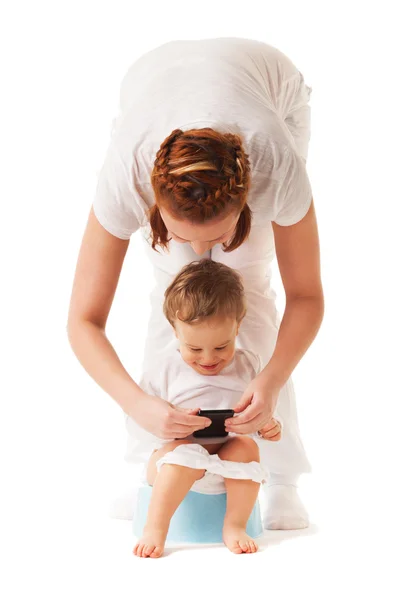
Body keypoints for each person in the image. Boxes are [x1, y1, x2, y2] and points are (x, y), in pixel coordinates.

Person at [67, 37, 324, 529]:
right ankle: (156, 465)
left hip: (269, 87)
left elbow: (307, 296)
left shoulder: (275, 166)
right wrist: (138, 404)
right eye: (184, 235)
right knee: (179, 301)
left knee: (245, 291)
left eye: (221, 233)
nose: (204, 251)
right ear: (153, 202)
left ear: (247, 202)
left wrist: (268, 382)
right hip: (151, 82)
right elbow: (83, 319)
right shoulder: (126, 177)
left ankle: (283, 479)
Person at [132, 259, 282, 557]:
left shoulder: (247, 364)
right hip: (173, 463)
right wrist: (167, 423)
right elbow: (138, 418)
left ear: (238, 327)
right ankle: (155, 527)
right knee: (188, 453)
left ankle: (235, 525)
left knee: (247, 448)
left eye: (222, 346)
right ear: (176, 330)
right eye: (195, 349)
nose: (208, 358)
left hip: (225, 461)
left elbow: (258, 410)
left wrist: (266, 425)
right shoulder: (164, 369)